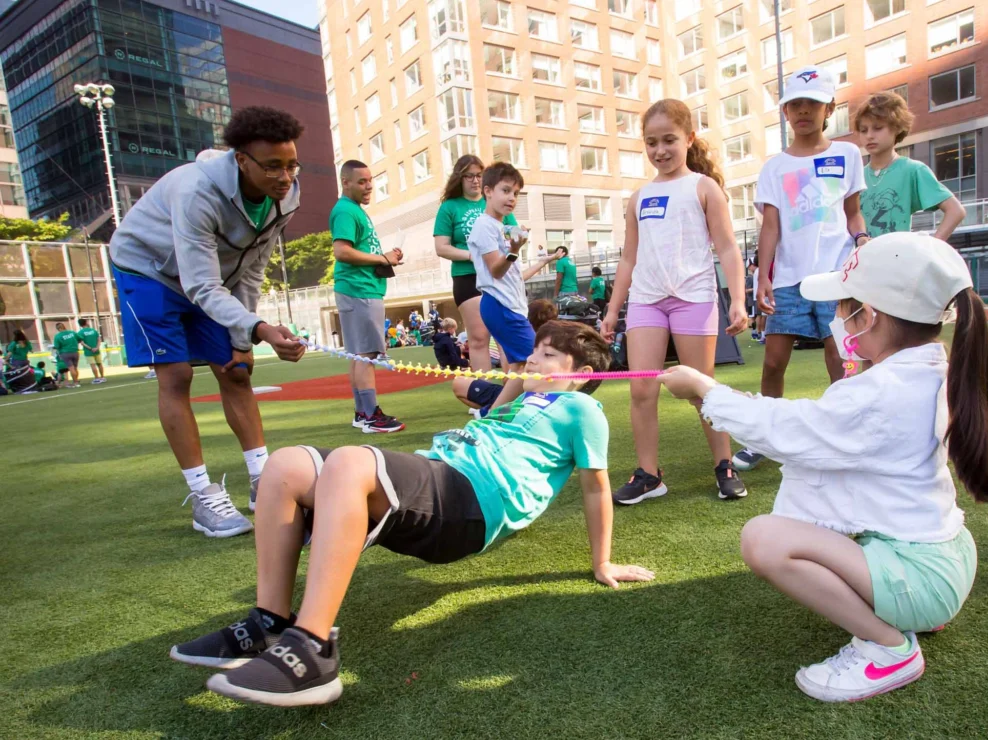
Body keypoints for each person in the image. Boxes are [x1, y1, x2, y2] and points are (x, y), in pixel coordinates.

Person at [169, 321, 654, 707]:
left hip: (471, 504)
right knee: (284, 467)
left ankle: (312, 650)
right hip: (437, 473)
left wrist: (602, 562)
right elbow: (484, 405)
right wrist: (517, 378)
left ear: (581, 375)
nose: (533, 358)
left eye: (549, 354)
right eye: (535, 349)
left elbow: (595, 487)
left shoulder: (580, 410)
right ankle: (269, 621)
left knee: (349, 461)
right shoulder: (521, 398)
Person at [660, 233, 988, 702]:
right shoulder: (922, 373)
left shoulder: (883, 391)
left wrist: (705, 389)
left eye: (844, 310)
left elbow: (793, 432)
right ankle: (906, 613)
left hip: (922, 580)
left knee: (764, 540)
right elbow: (809, 425)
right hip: (945, 563)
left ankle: (890, 649)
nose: (836, 321)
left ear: (871, 316)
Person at [109, 107, 307, 536]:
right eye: (271, 166)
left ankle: (263, 481)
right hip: (148, 270)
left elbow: (252, 268)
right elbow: (201, 286)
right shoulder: (196, 191)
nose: (284, 176)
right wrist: (262, 329)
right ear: (241, 160)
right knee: (176, 376)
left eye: (291, 164)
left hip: (208, 278)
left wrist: (244, 336)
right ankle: (202, 496)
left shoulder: (287, 197)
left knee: (238, 370)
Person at [600, 98, 751, 504]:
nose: (660, 150)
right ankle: (649, 475)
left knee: (700, 390)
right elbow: (629, 257)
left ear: (689, 138)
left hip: (693, 298)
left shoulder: (704, 188)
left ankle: (724, 464)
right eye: (651, 142)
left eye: (669, 140)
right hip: (648, 301)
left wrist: (737, 300)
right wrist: (613, 311)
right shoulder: (638, 197)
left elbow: (728, 248)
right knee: (642, 391)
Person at [733, 66, 867, 473]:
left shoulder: (847, 154)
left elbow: (853, 214)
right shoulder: (774, 167)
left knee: (839, 357)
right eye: (795, 104)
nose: (804, 110)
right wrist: (764, 277)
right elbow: (769, 226)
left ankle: (844, 434)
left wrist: (862, 242)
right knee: (773, 361)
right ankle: (768, 437)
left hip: (836, 276)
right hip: (789, 279)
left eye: (813, 103)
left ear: (829, 108)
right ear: (786, 112)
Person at [468, 163, 564, 409]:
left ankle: (494, 416)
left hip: (508, 304)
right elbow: (496, 270)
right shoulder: (484, 226)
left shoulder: (499, 227)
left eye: (516, 193)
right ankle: (494, 417)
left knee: (521, 366)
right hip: (500, 305)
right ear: (488, 191)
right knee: (533, 362)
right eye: (506, 190)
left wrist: (544, 261)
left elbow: (514, 275)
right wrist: (513, 250)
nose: (511, 198)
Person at [331, 160, 405, 434]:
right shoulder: (346, 211)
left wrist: (386, 259)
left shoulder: (352, 211)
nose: (369, 186)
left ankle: (363, 413)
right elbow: (342, 251)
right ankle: (371, 415)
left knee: (359, 353)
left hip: (359, 288)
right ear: (346, 183)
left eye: (370, 180)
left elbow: (355, 251)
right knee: (366, 354)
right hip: (359, 290)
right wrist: (381, 257)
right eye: (362, 181)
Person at [434, 155, 523, 372]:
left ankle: (510, 392)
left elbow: (513, 233)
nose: (475, 180)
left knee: (504, 335)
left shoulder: (495, 201)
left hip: (498, 275)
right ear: (460, 178)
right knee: (479, 336)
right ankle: (483, 394)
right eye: (469, 176)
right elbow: (441, 247)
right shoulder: (450, 208)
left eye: (479, 175)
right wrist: (472, 254)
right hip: (467, 277)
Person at [855, 92, 965, 241]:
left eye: (878, 128)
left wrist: (932, 248)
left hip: (899, 258)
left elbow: (955, 211)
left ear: (897, 128)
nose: (869, 135)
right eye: (863, 130)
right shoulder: (855, 176)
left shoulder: (912, 170)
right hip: (860, 261)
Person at [453, 299, 557, 417]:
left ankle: (494, 412)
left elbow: (512, 378)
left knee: (459, 383)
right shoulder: (554, 343)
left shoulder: (527, 342)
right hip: (530, 399)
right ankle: (500, 410)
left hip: (526, 399)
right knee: (460, 383)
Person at [51, 322, 82, 388]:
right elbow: (80, 339)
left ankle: (75, 382)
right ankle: (76, 382)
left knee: (71, 368)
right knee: (75, 368)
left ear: (58, 329)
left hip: (65, 353)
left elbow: (57, 346)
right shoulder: (72, 333)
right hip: (75, 351)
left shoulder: (58, 336)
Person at [77, 319, 106, 384]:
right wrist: (97, 347)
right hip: (97, 350)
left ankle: (97, 378)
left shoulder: (80, 333)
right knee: (99, 364)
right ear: (86, 322)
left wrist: (90, 348)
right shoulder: (93, 330)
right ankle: (102, 377)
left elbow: (82, 343)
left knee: (93, 365)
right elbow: (99, 340)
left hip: (88, 352)